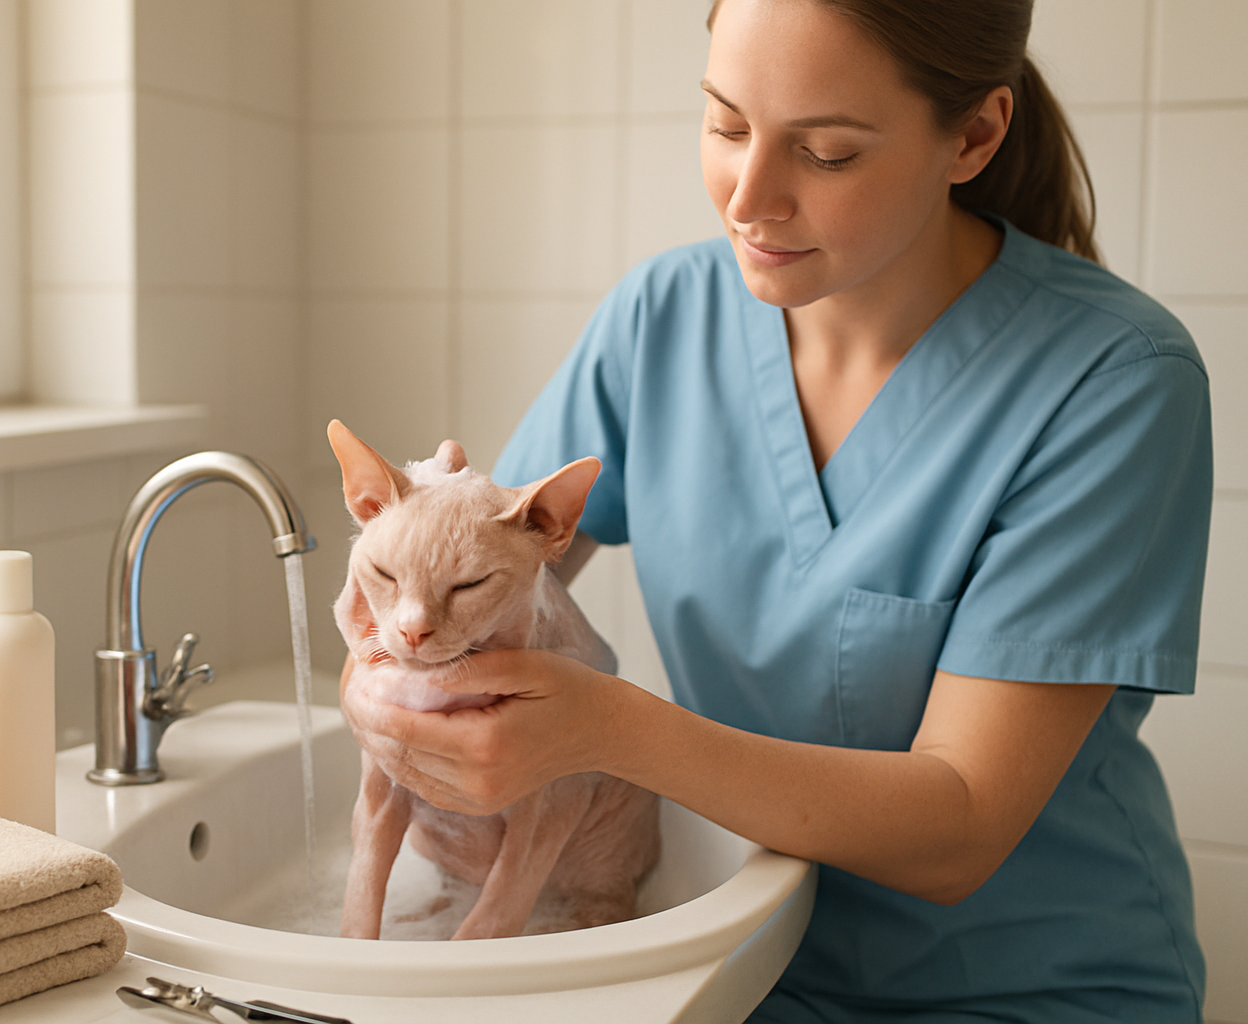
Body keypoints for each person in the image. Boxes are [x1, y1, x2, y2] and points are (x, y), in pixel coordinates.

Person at [338, 0, 1212, 1019]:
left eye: (828, 154)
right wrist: (405, 565)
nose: (748, 198)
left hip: (1026, 987)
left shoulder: (1112, 379)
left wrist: (608, 727)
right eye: (725, 123)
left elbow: (963, 821)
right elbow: (474, 616)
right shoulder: (659, 323)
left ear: (972, 135)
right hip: (736, 959)